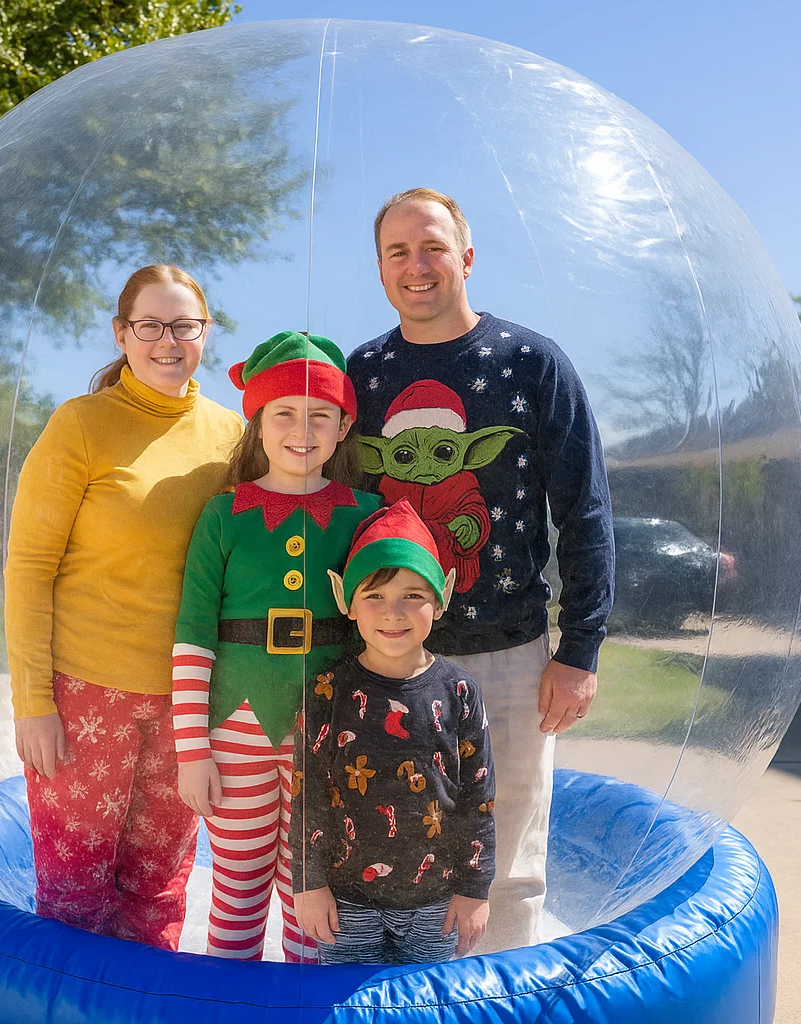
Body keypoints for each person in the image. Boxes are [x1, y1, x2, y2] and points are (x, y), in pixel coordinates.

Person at [347, 188, 614, 951]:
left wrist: (578, 651)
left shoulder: (530, 363)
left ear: (466, 257)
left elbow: (584, 513)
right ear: (380, 269)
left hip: (511, 656)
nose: (417, 264)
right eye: (398, 251)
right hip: (386, 661)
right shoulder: (360, 375)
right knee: (391, 858)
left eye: (433, 246)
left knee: (506, 872)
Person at [5, 264, 243, 950]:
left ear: (206, 334)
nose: (168, 340)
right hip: (84, 699)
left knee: (160, 895)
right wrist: (32, 703)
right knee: (75, 898)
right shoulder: (80, 425)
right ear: (122, 333)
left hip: (188, 702)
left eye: (184, 325)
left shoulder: (232, 437)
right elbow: (27, 569)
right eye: (150, 325)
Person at [170, 331, 381, 962]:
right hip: (235, 727)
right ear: (257, 422)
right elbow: (192, 636)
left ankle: (300, 1006)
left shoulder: (365, 514)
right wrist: (191, 752)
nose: (302, 429)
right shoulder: (223, 515)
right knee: (237, 887)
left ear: (344, 427)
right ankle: (232, 1007)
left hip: (330, 732)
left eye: (321, 416)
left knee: (313, 889)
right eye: (283, 413)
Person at [291, 499, 495, 965]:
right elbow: (308, 798)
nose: (394, 612)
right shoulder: (326, 691)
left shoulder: (460, 692)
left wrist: (474, 888)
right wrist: (309, 883)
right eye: (375, 596)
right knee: (344, 1012)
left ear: (440, 599)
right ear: (346, 601)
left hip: (436, 902)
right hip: (347, 902)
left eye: (412, 595)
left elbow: (478, 799)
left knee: (428, 1010)